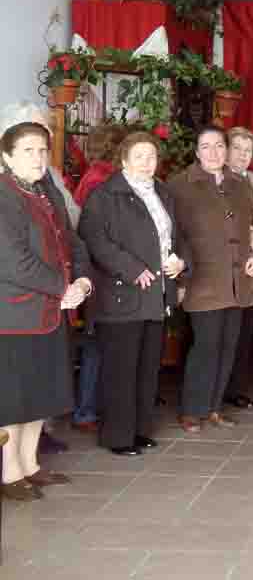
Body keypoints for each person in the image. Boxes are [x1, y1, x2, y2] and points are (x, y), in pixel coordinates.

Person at [78, 132, 190, 456]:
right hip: (122, 297)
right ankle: (117, 437)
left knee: (146, 369)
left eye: (152, 157)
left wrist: (181, 262)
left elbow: (177, 236)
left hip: (156, 296)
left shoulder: (163, 193)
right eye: (139, 156)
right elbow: (93, 239)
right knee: (120, 371)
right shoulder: (105, 195)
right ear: (124, 160)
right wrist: (130, 267)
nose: (147, 163)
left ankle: (140, 430)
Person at [1, 122, 93, 500]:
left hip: (53, 311)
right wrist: (63, 289)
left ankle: (30, 464)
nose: (38, 158)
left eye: (42, 150)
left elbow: (71, 239)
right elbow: (12, 262)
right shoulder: (3, 196)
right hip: (16, 316)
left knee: (41, 393)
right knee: (14, 398)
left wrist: (83, 280)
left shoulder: (47, 189)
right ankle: (9, 473)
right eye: (28, 151)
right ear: (6, 156)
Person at [168, 125, 253, 433]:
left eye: (219, 146)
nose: (214, 152)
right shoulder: (179, 186)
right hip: (203, 281)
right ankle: (192, 409)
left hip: (239, 280)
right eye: (206, 146)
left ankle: (213, 407)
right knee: (206, 346)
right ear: (197, 152)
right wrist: (181, 281)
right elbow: (173, 235)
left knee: (228, 347)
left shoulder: (239, 183)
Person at [69, 123, 128, 435]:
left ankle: (91, 408)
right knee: (97, 345)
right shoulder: (103, 180)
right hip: (101, 274)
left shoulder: (92, 176)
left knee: (99, 344)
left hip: (97, 272)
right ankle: (87, 410)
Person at [222, 126, 253, 410]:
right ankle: (217, 390)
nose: (242, 155)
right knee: (221, 335)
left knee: (243, 334)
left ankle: (235, 388)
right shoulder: (216, 179)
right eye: (236, 148)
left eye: (247, 150)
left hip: (251, 269)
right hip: (223, 269)